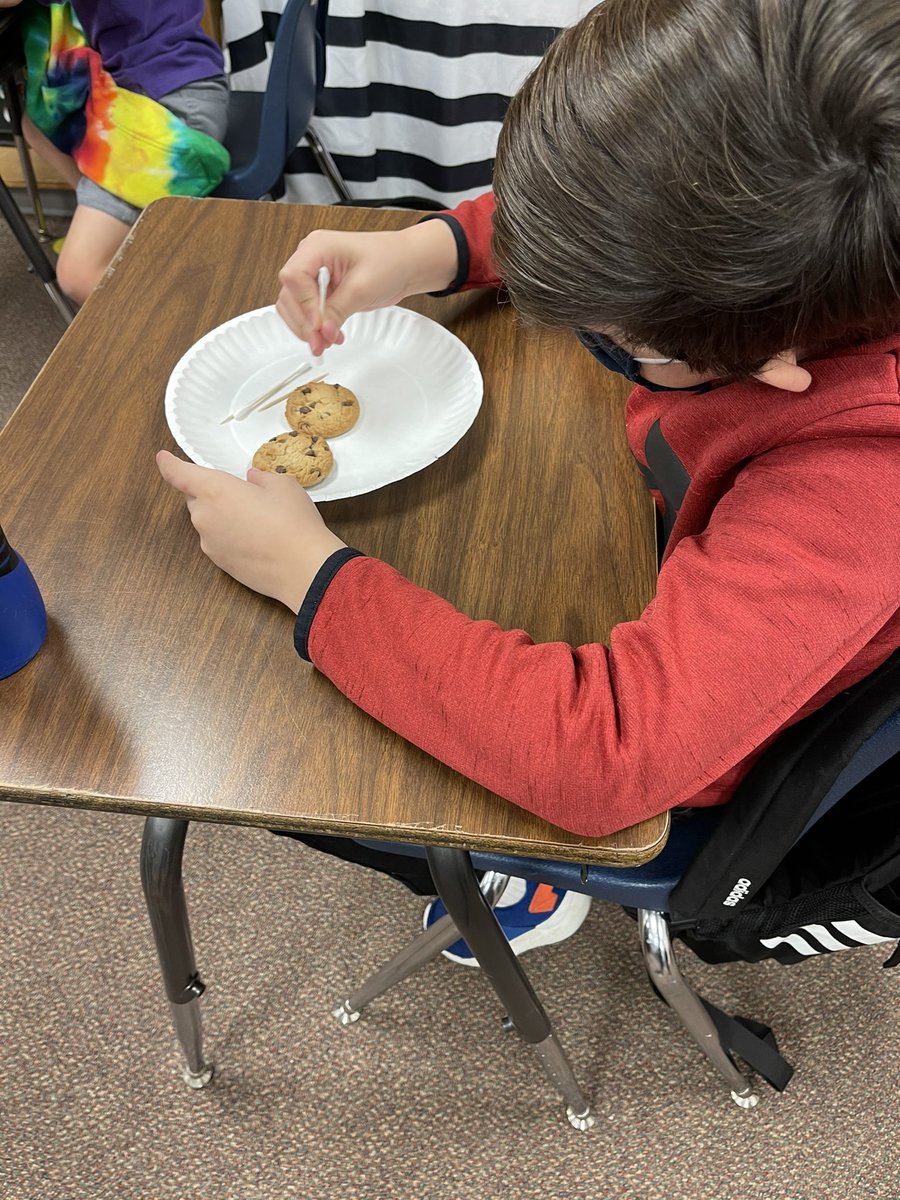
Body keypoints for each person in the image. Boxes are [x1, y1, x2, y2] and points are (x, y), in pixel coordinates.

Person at [157, 0, 900, 965]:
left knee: (262, 750)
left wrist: (310, 576)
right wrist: (427, 251)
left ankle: (535, 877)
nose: (587, 331)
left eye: (616, 335)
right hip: (665, 555)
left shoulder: (861, 485)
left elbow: (607, 758)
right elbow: (626, 221)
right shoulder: (787, 257)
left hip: (680, 765)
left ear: (777, 361)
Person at [3, 0, 229, 304]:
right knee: (36, 126)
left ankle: (203, 319)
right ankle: (122, 226)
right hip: (174, 77)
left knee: (78, 274)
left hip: (169, 104)